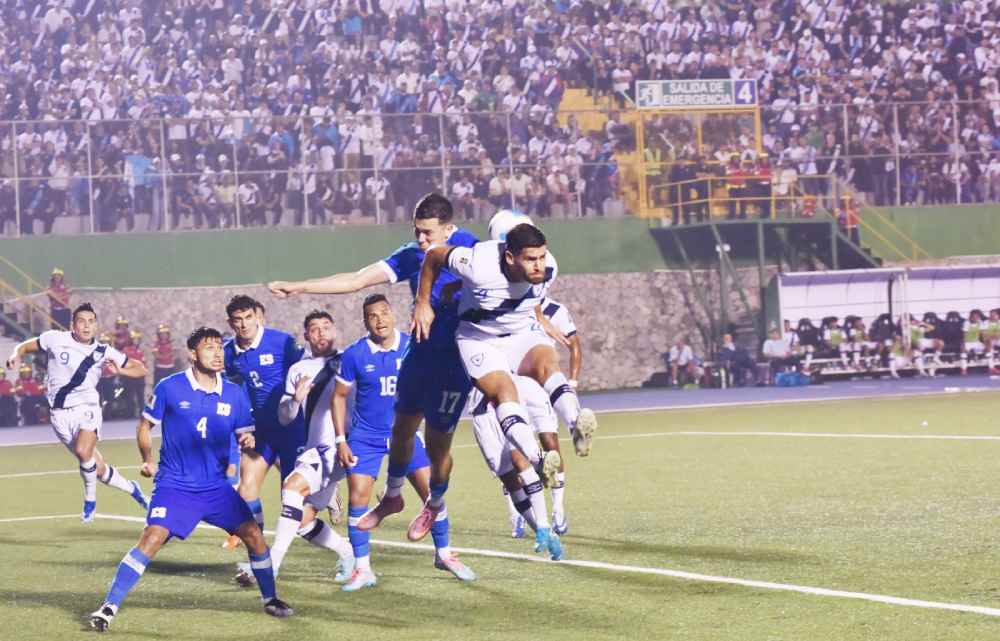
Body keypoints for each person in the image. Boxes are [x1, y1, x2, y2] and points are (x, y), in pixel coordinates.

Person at [267, 193, 478, 569]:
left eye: (428, 233)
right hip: (430, 361)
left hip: (465, 358)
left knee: (444, 461)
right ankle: (384, 524)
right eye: (416, 232)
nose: (422, 241)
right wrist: (300, 287)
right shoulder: (413, 256)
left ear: (450, 229)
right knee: (416, 443)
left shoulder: (473, 250)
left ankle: (441, 544)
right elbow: (356, 279)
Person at [396, 222, 591, 553]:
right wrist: (423, 301)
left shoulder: (548, 268)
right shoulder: (477, 262)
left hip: (520, 333)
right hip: (478, 339)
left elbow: (533, 302)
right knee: (503, 393)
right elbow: (432, 257)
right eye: (531, 259)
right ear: (511, 257)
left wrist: (541, 319)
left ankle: (575, 423)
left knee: (547, 364)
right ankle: (538, 464)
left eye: (542, 257)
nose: (540, 265)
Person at [89, 327, 293, 632]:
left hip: (216, 489)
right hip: (175, 486)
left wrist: (248, 443)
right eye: (208, 348)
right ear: (193, 354)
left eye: (218, 348)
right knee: (153, 537)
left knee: (254, 536)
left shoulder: (235, 394)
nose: (216, 353)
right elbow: (145, 425)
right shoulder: (170, 387)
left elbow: (244, 435)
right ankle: (109, 606)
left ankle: (270, 598)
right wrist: (148, 459)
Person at [334, 294, 475, 589]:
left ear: (393, 314)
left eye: (384, 312)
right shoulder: (354, 354)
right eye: (372, 316)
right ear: (365, 321)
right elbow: (340, 396)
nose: (380, 320)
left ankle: (444, 554)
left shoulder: (414, 345)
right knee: (358, 496)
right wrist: (340, 440)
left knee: (430, 491)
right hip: (366, 437)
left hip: (406, 433)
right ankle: (363, 569)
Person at [235, 310, 354, 589]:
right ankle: (348, 553)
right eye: (315, 328)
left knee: (291, 489)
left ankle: (271, 565)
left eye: (326, 326)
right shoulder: (298, 371)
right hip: (317, 449)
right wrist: (296, 399)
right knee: (301, 520)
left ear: (334, 330)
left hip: (339, 448)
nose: (321, 332)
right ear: (306, 336)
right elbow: (285, 416)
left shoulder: (351, 361)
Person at [5, 303, 149, 521]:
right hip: (60, 416)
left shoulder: (103, 351)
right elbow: (26, 346)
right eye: (82, 321)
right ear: (73, 324)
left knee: (83, 452)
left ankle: (90, 500)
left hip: (87, 408)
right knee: (97, 468)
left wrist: (120, 370)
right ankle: (133, 490)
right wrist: (16, 354)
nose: (87, 326)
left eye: (91, 321)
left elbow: (141, 368)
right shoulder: (55, 338)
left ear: (96, 326)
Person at [222, 295, 306, 548]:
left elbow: (306, 372)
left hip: (292, 430)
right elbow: (233, 393)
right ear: (231, 323)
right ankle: (260, 551)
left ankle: (345, 551)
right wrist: (242, 428)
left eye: (248, 317)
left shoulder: (282, 342)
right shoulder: (228, 353)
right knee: (246, 491)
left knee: (292, 503)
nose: (244, 324)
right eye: (238, 320)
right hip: (259, 433)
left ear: (257, 317)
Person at [473, 375, 563, 560]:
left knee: (521, 460)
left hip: (505, 404)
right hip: (481, 417)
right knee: (508, 479)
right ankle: (545, 533)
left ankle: (544, 525)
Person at [537, 297, 582, 534]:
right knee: (518, 451)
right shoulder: (507, 300)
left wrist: (573, 381)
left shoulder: (556, 309)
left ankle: (557, 509)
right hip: (514, 381)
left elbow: (574, 343)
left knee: (550, 443)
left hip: (544, 381)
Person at [123, 330, 146, 418]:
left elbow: (144, 362)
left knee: (140, 396)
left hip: (140, 376)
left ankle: (142, 413)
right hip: (130, 376)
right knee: (129, 396)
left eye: (137, 339)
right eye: (134, 339)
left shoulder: (141, 350)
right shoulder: (126, 350)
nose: (136, 341)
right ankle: (130, 413)